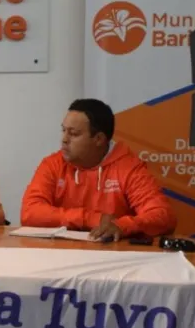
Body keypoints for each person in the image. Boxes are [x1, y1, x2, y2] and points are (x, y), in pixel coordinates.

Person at [20, 98, 176, 241]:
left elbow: (162, 216)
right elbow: (30, 213)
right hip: (60, 253)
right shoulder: (53, 164)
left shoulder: (128, 167)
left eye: (73, 134)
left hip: (112, 255)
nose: (64, 139)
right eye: (63, 130)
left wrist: (122, 226)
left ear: (99, 139)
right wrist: (89, 218)